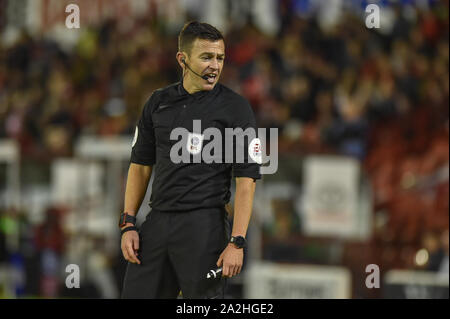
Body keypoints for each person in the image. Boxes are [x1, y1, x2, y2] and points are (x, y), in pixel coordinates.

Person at [119, 21, 261, 299]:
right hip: (157, 221)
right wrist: (128, 224)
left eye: (220, 58)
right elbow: (139, 166)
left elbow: (247, 180)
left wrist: (238, 241)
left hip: (204, 227)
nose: (215, 66)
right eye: (207, 57)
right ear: (182, 59)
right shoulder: (157, 103)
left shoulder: (235, 108)